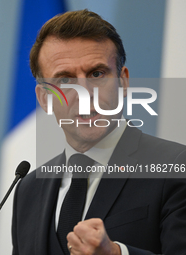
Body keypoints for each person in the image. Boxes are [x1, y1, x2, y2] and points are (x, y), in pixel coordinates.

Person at [11, 9, 186, 255]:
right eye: (65, 80)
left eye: (96, 74)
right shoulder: (28, 190)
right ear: (44, 99)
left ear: (123, 82)